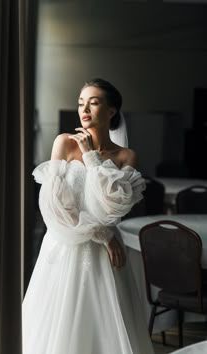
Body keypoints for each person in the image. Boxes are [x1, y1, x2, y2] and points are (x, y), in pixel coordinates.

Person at [22, 78, 154, 354]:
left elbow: (114, 206)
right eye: (81, 103)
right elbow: (53, 208)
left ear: (111, 111)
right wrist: (103, 234)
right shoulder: (63, 143)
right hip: (65, 247)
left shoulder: (125, 156)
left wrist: (91, 157)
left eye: (94, 103)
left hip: (105, 258)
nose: (85, 109)